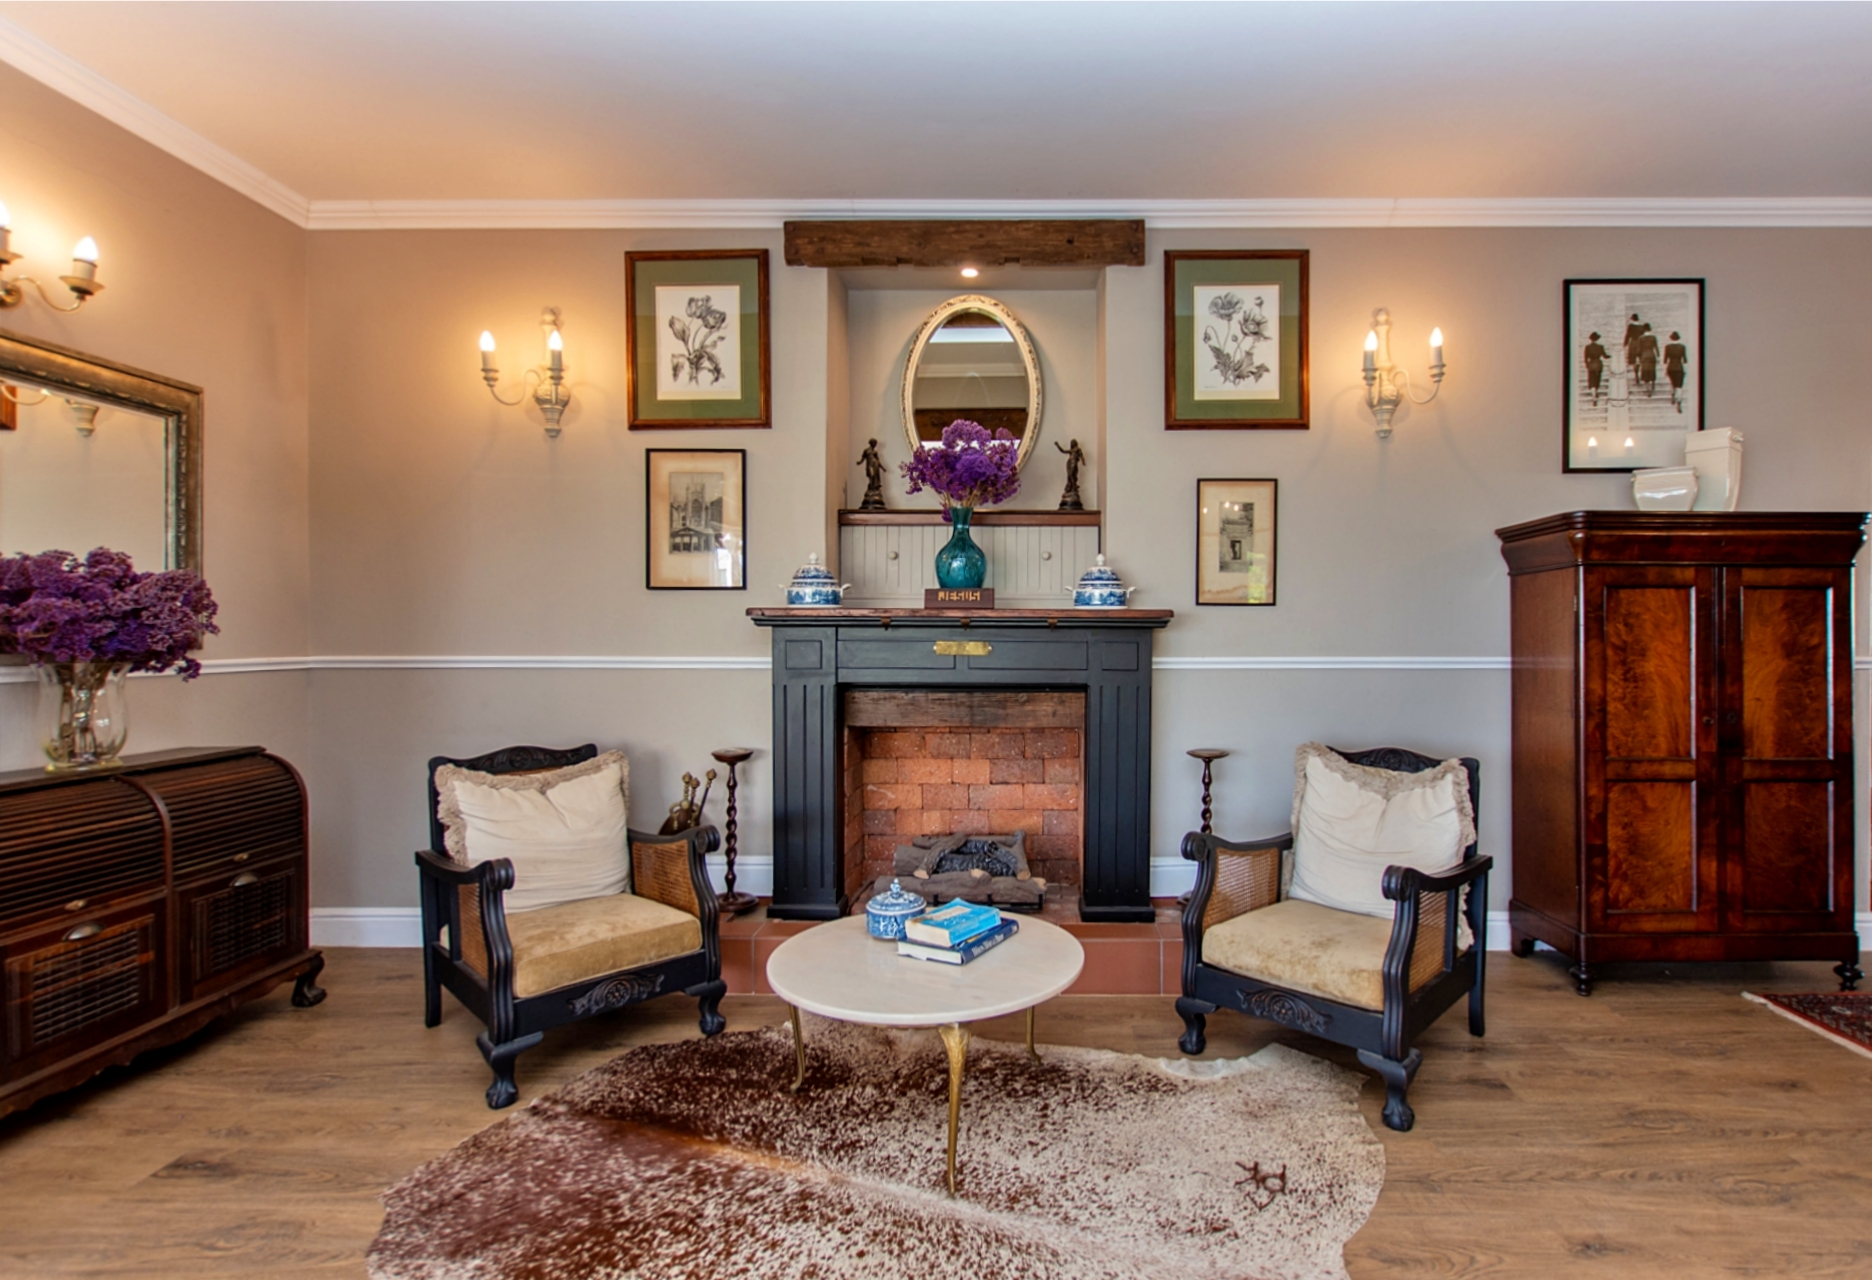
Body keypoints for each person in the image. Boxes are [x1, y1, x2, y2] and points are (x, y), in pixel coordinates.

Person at [856, 437, 886, 510]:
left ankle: (873, 490)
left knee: (875, 478)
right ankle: (871, 489)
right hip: (869, 466)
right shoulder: (866, 451)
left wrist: (882, 468)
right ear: (871, 443)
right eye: (874, 443)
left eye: (875, 444)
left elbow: (878, 460)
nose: (874, 445)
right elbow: (863, 458)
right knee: (871, 476)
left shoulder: (875, 452)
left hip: (875, 465)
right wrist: (859, 462)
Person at [1663, 331, 1689, 412]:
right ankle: (1679, 402)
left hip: (1670, 367)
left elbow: (1665, 360)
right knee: (1679, 386)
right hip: (1679, 368)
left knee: (1672, 383)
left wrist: (1665, 369)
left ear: (1671, 338)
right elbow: (1685, 360)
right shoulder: (1682, 347)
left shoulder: (1667, 347)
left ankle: (1672, 396)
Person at [1583, 331, 1609, 404]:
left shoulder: (1587, 347)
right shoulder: (1600, 347)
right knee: (1597, 380)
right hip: (1598, 365)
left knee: (1592, 381)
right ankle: (1596, 392)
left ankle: (1594, 397)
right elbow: (1605, 356)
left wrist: (1587, 365)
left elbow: (1585, 358)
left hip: (1591, 365)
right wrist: (1611, 356)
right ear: (1597, 339)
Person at [1636, 324, 1660, 397]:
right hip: (1652, 355)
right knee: (1652, 370)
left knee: (1645, 372)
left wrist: (1638, 358)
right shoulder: (1653, 337)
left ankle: (1648, 390)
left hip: (1644, 356)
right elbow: (1656, 347)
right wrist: (1658, 356)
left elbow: (1639, 349)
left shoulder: (1640, 338)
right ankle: (1653, 383)